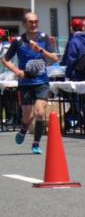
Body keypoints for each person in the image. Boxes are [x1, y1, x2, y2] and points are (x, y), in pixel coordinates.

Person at [3, 12, 58, 154]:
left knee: (39, 112)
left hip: (42, 81)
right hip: (25, 83)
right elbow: (5, 59)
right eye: (30, 22)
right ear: (24, 24)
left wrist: (40, 50)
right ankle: (24, 128)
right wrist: (16, 70)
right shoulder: (18, 41)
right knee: (27, 116)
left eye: (36, 22)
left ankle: (36, 143)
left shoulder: (44, 38)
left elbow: (54, 58)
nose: (34, 24)